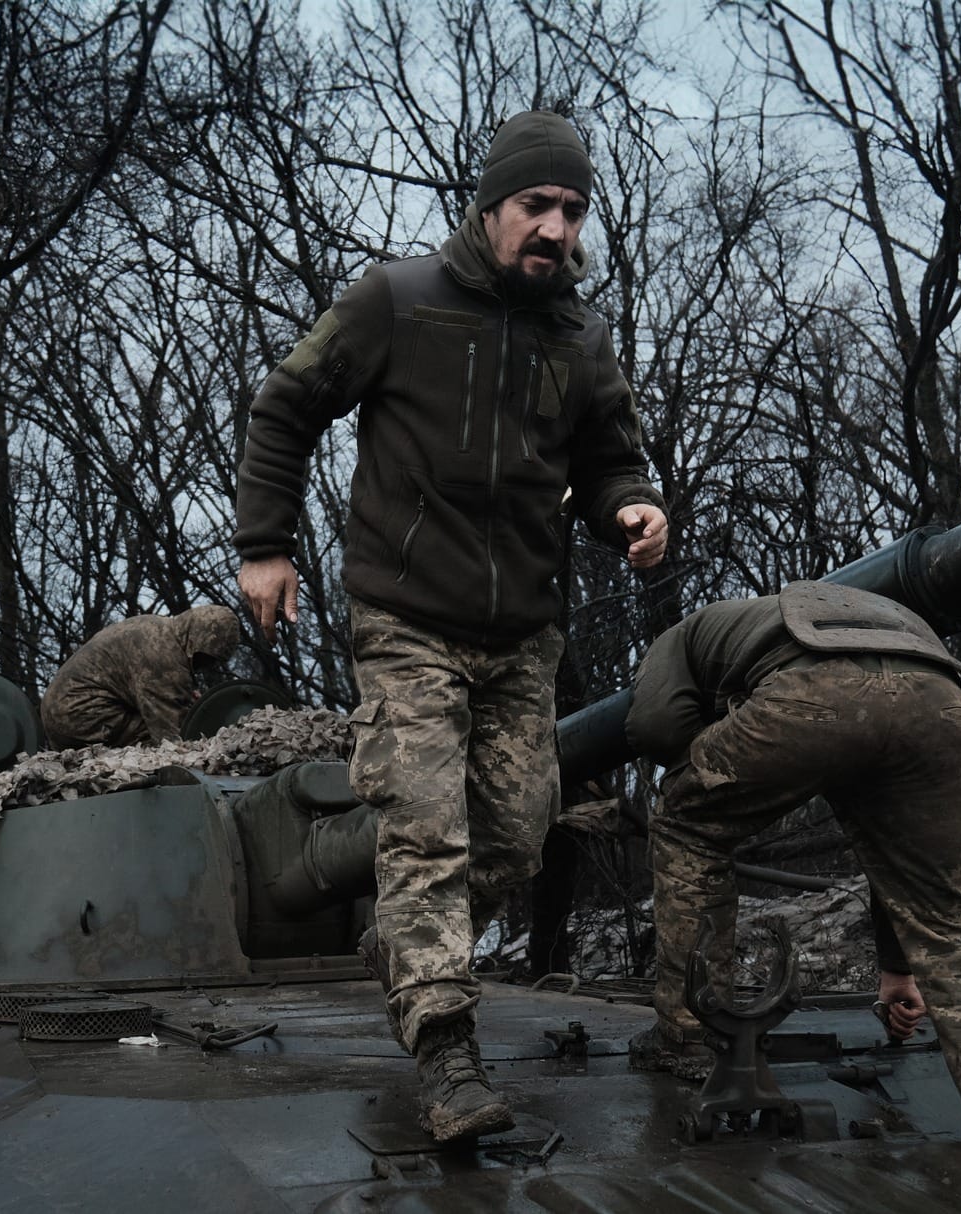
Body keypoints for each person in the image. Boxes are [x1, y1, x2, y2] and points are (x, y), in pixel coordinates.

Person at [233, 110, 669, 1143]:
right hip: (406, 614)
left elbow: (610, 456)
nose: (555, 229)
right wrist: (265, 542)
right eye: (536, 206)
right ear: (488, 209)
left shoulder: (580, 335)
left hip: (523, 628)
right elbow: (286, 404)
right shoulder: (399, 300)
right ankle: (446, 1053)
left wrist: (631, 508)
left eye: (572, 210)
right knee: (424, 825)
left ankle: (404, 935)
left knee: (514, 835)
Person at [624, 580, 961, 1176]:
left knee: (687, 826)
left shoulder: (680, 636)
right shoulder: (863, 607)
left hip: (809, 692)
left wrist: (724, 760)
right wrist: (897, 969)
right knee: (955, 939)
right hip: (940, 703)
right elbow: (896, 850)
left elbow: (656, 729)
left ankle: (687, 1037)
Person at [39, 605, 242, 749]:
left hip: (65, 712)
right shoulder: (164, 657)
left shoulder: (157, 629)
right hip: (79, 716)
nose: (205, 666)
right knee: (159, 742)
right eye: (206, 658)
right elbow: (172, 732)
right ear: (198, 641)